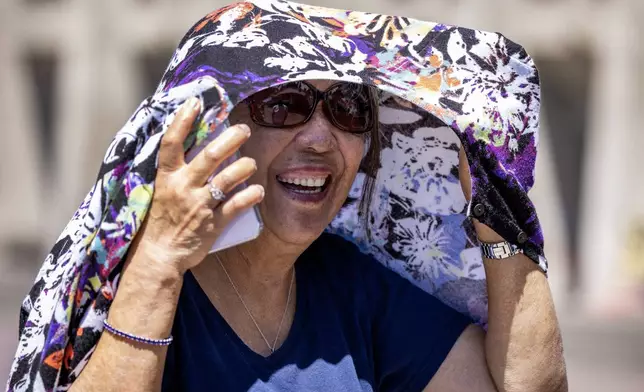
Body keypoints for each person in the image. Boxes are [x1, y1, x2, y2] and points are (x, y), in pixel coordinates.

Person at [7, 2, 567, 391]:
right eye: (285, 105)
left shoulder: (357, 289)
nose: (321, 137)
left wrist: (499, 221)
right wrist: (156, 266)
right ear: (213, 127)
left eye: (349, 110)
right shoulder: (140, 286)